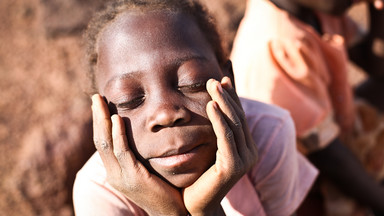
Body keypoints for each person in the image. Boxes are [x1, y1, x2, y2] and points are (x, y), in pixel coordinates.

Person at [72, 0, 318, 215]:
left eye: (193, 82)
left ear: (228, 79)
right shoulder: (99, 190)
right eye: (129, 99)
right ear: (102, 115)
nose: (166, 114)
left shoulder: (268, 133)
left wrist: (208, 212)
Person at [230, 0, 384, 214]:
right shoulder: (275, 42)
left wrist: (378, 11)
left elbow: (377, 65)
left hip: (333, 130)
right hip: (306, 177)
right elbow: (327, 156)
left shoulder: (319, 9)